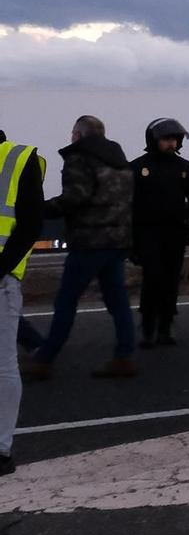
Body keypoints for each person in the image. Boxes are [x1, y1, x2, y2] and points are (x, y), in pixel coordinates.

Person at [23, 116, 137, 381]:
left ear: (79, 134)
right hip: (117, 240)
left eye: (73, 132)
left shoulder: (80, 159)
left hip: (89, 242)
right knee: (117, 300)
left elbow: (76, 197)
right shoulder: (119, 160)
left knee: (66, 301)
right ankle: (124, 356)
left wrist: (39, 208)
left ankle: (44, 359)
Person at [129, 117, 189, 348]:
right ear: (153, 140)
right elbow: (125, 204)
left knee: (171, 280)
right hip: (146, 233)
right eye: (166, 139)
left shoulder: (184, 167)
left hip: (175, 233)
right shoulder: (136, 167)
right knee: (153, 278)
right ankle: (148, 325)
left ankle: (166, 325)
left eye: (174, 139)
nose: (171, 143)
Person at [0, 129, 48, 474]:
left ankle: (1, 450)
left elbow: (31, 225)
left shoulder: (20, 157)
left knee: (2, 366)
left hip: (1, 278)